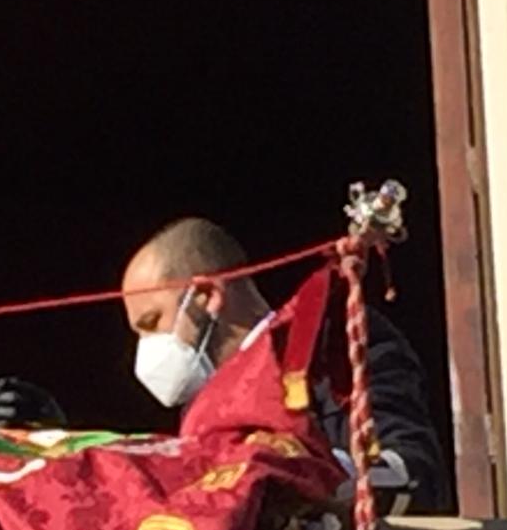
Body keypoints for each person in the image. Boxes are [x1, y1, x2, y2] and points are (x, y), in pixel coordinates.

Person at [120, 215, 449, 513]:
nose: (146, 348)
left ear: (207, 295)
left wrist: (290, 474)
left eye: (152, 322)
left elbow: (412, 469)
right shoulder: (199, 412)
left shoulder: (329, 342)